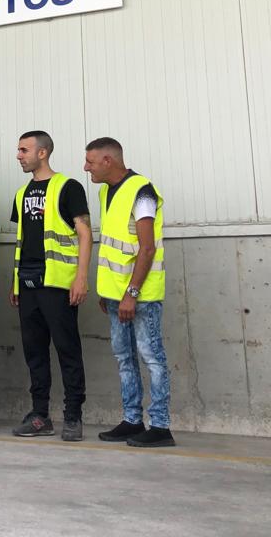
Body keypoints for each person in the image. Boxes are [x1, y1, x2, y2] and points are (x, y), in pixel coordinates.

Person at [84, 137, 175, 448]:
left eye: (91, 162)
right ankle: (132, 420)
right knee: (124, 358)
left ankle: (160, 426)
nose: (87, 168)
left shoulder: (142, 191)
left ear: (108, 161)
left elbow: (146, 248)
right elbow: (113, 245)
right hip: (115, 295)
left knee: (151, 357)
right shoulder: (105, 192)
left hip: (141, 296)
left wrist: (131, 293)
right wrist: (108, 292)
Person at [9, 131, 92, 442]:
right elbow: (23, 242)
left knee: (67, 350)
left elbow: (84, 234)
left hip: (58, 284)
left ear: (42, 153)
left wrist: (81, 277)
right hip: (28, 284)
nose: (19, 156)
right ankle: (40, 415)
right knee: (34, 353)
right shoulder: (21, 194)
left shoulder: (67, 187)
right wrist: (15, 282)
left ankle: (73, 416)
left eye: (24, 150)